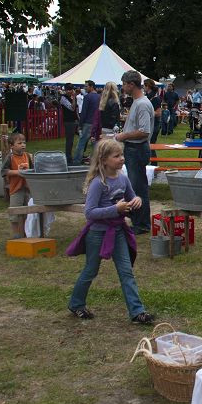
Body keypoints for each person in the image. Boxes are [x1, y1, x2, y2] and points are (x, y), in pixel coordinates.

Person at [65, 138, 155, 324]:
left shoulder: (122, 178)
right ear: (104, 160)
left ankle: (137, 312)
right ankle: (76, 303)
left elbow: (132, 197)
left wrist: (137, 200)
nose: (122, 159)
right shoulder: (99, 183)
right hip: (98, 234)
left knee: (126, 272)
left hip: (118, 232)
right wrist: (116, 209)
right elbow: (89, 212)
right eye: (117, 156)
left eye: (122, 155)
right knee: (91, 270)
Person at [115, 70, 153, 235]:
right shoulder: (137, 102)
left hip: (137, 148)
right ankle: (138, 220)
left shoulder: (142, 104)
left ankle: (142, 224)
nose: (123, 87)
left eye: (124, 84)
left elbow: (144, 131)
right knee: (134, 186)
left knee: (138, 187)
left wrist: (124, 135)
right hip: (133, 148)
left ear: (131, 84)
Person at [1, 133, 32, 238]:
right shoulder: (10, 157)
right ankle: (16, 235)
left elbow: (33, 170)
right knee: (15, 213)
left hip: (27, 189)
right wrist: (17, 172)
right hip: (16, 189)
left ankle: (24, 234)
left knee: (27, 213)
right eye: (19, 143)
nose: (22, 145)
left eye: (24, 142)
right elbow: (3, 171)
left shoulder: (28, 156)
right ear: (12, 146)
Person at [74, 80, 100, 165]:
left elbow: (84, 112)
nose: (85, 88)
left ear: (91, 86)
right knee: (95, 143)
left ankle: (77, 160)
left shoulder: (87, 97)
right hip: (96, 123)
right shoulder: (99, 97)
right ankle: (95, 160)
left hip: (88, 122)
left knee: (81, 143)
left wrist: (80, 125)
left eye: (86, 86)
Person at [60, 84, 79, 165]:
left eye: (71, 89)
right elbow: (72, 108)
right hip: (68, 121)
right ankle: (68, 157)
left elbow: (76, 109)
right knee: (69, 140)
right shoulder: (63, 98)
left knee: (72, 140)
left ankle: (71, 156)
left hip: (74, 120)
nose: (70, 91)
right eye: (68, 89)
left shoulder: (71, 97)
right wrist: (74, 97)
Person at [144, 79, 162, 146]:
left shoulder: (155, 98)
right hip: (148, 124)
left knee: (151, 146)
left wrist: (146, 112)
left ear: (148, 86)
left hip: (154, 125)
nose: (143, 87)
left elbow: (158, 113)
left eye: (144, 86)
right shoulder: (147, 97)